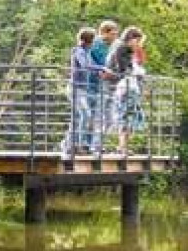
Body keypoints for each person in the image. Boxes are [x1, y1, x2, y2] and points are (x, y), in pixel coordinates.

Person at [108, 27, 147, 156]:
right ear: (132, 39)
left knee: (130, 117)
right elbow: (123, 69)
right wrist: (138, 72)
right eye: (138, 41)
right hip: (126, 87)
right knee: (127, 116)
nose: (139, 44)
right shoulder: (122, 49)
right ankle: (122, 147)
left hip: (128, 87)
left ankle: (122, 146)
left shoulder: (125, 50)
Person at [63, 27, 100, 156]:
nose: (95, 42)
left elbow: (91, 65)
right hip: (75, 88)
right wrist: (102, 68)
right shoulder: (78, 51)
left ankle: (70, 145)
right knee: (85, 114)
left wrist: (101, 69)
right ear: (89, 40)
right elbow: (85, 65)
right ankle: (77, 145)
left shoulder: (87, 51)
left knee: (78, 117)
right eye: (94, 39)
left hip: (82, 88)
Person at [89, 20, 120, 154]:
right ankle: (93, 145)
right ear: (104, 32)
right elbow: (93, 62)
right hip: (93, 85)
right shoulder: (95, 45)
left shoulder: (115, 45)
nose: (115, 36)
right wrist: (103, 71)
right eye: (112, 34)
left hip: (109, 85)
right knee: (95, 116)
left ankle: (98, 144)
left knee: (109, 118)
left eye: (116, 34)